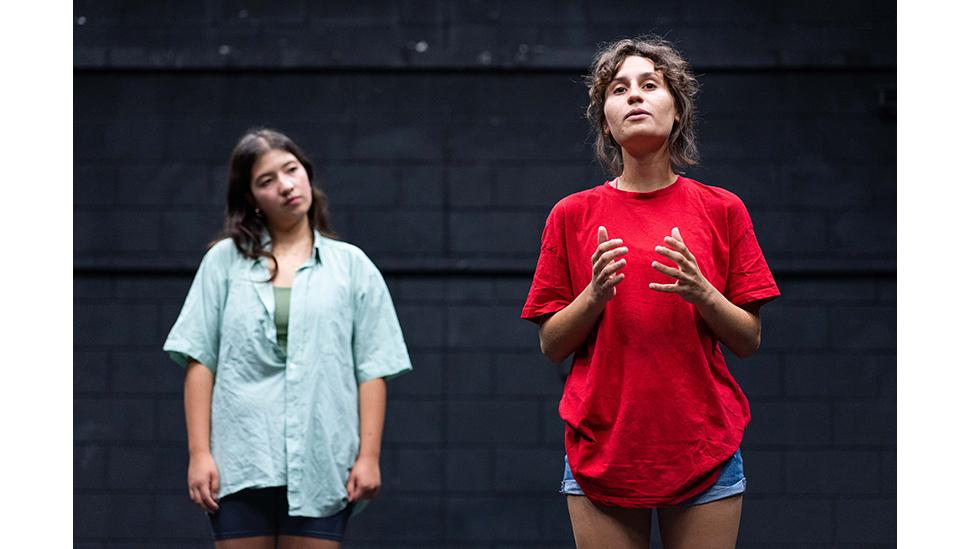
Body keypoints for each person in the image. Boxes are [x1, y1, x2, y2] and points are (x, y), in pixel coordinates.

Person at [521, 36, 780, 548]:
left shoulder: (723, 209)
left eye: (649, 85)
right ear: (606, 122)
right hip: (603, 451)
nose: (634, 96)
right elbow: (551, 344)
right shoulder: (571, 214)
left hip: (702, 448)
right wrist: (594, 294)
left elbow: (748, 339)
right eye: (619, 89)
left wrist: (703, 292)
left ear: (677, 110)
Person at [163, 128, 412, 548]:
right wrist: (199, 453)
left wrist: (369, 458)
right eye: (267, 180)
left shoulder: (352, 266)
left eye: (291, 170)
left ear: (307, 174)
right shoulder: (222, 263)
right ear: (251, 198)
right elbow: (200, 360)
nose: (285, 185)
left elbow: (373, 367)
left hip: (322, 459)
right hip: (241, 459)